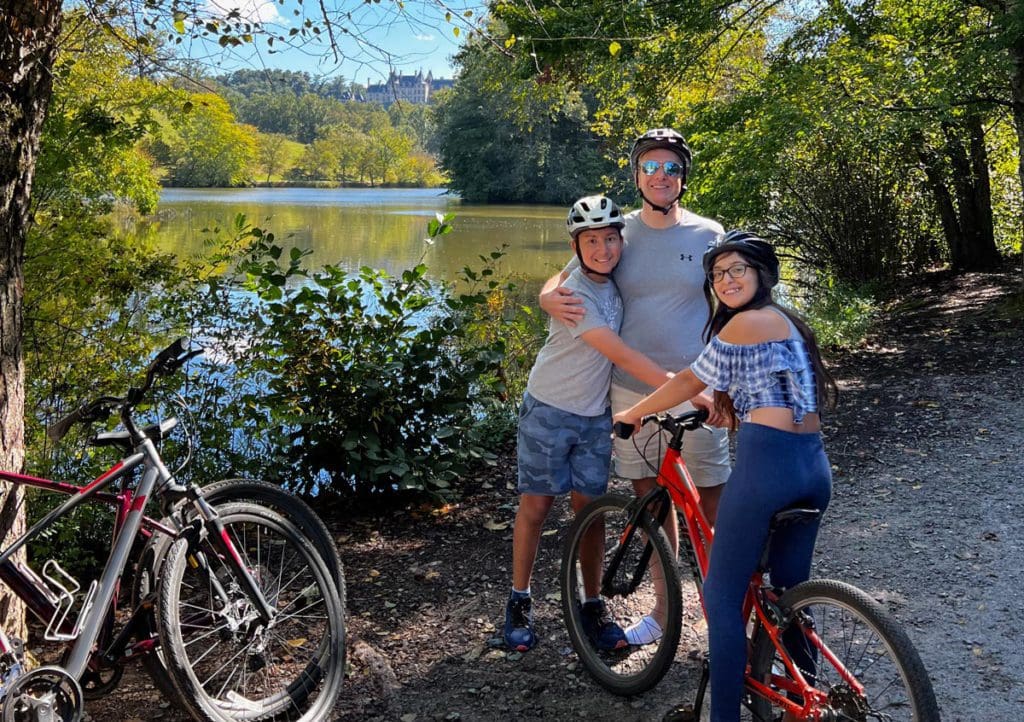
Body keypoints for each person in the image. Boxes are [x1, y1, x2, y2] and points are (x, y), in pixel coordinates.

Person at [613, 230, 837, 722]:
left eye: (738, 269)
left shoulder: (742, 325)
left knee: (721, 592)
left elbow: (692, 380)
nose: (726, 280)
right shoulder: (788, 322)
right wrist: (727, 407)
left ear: (761, 275)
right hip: (813, 468)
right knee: (787, 593)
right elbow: (771, 388)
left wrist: (635, 413)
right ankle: (808, 700)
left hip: (768, 471)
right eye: (717, 274)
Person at [539, 128, 731, 646]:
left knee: (711, 508)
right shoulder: (617, 231)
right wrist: (545, 297)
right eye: (651, 167)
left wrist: (727, 380)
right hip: (634, 395)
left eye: (671, 167)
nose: (661, 176)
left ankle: (726, 624)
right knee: (652, 509)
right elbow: (565, 276)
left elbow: (735, 303)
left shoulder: (708, 234)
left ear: (683, 176)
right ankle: (666, 614)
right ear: (636, 175)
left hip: (700, 389)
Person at [504, 194, 678, 653]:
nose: (603, 249)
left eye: (610, 238)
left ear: (621, 239)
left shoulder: (609, 271)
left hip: (594, 415)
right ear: (576, 244)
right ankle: (519, 600)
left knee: (590, 509)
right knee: (536, 507)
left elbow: (557, 274)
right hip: (549, 408)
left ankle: (592, 602)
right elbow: (623, 356)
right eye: (590, 240)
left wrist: (544, 290)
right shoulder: (578, 295)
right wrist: (690, 390)